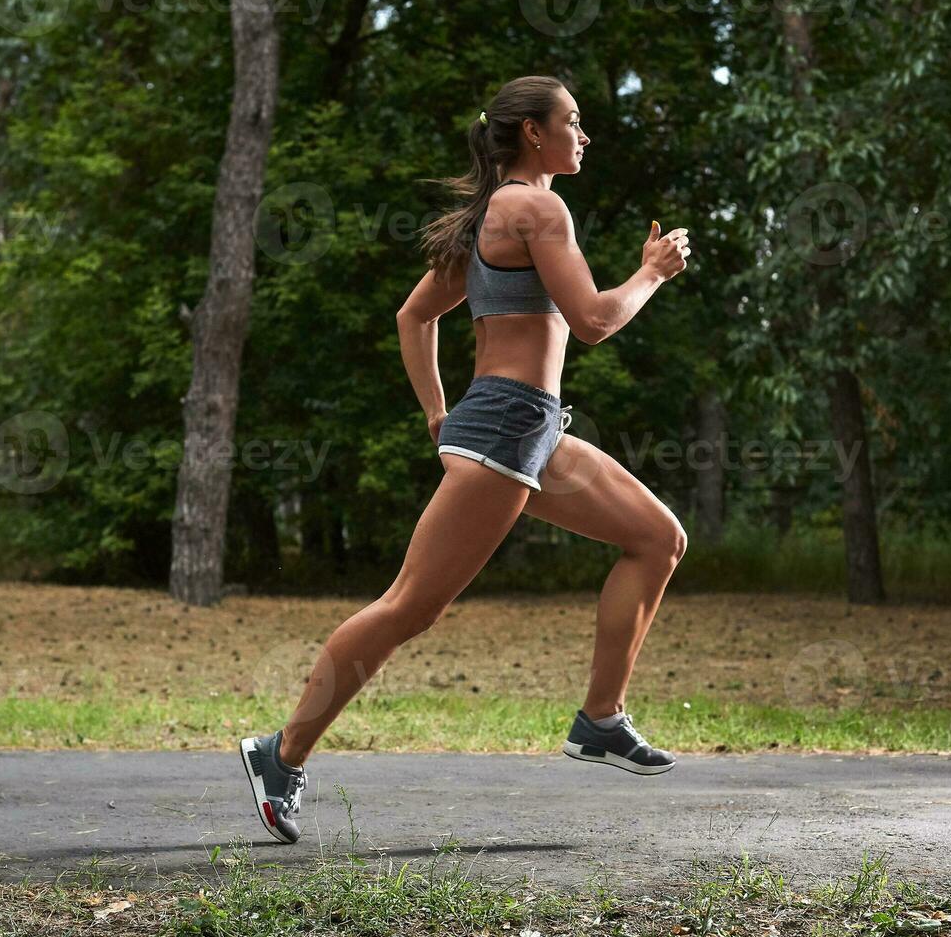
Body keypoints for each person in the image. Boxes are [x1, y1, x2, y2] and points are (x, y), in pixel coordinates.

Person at [240, 75, 692, 844]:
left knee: (658, 539)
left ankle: (601, 718)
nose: (584, 136)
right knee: (410, 607)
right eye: (573, 123)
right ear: (532, 136)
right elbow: (590, 320)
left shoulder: (494, 215)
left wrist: (439, 415)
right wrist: (651, 271)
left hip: (526, 426)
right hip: (507, 429)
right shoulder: (538, 208)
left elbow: (414, 317)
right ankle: (279, 755)